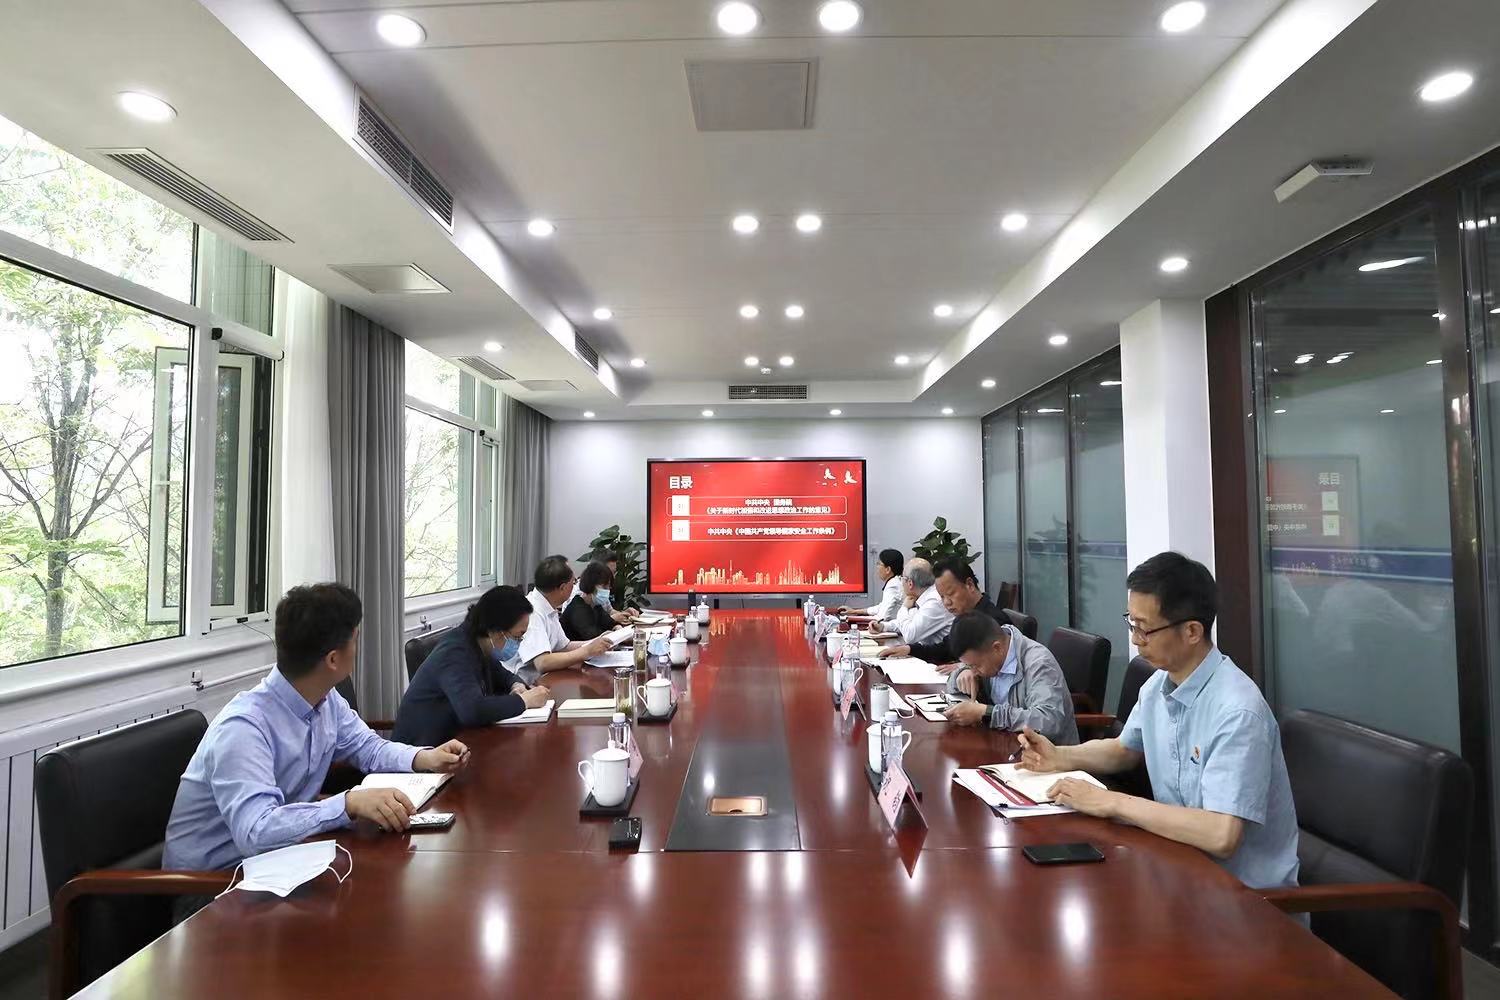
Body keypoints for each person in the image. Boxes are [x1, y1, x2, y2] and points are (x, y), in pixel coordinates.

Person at [1016, 552, 1299, 889]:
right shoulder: (1158, 685)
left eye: (1145, 629)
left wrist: (1111, 802)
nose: (1135, 639)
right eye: (1132, 623)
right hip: (1177, 868)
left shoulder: (1237, 712)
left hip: (1241, 897)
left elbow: (1221, 834)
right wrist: (1059, 756)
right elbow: (1124, 750)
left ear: (1192, 631)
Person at [164, 583, 470, 874]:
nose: (357, 648)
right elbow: (256, 832)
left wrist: (425, 758)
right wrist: (347, 803)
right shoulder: (243, 728)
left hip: (282, 860)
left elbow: (368, 747)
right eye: (355, 639)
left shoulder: (325, 699)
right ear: (333, 659)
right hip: (214, 886)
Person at [393, 585, 553, 745]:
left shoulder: (478, 643)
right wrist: (523, 701)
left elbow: (505, 676)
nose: (519, 642)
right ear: (496, 630)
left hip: (457, 740)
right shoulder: (454, 652)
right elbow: (472, 710)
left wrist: (516, 685)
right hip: (423, 751)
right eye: (518, 636)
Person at [939, 610, 1078, 744]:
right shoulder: (988, 654)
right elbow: (953, 684)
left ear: (996, 648)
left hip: (1046, 754)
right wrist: (962, 672)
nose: (974, 671)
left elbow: (1049, 721)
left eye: (975, 666)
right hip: (1004, 744)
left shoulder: (1038, 663)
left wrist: (987, 713)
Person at [876, 558, 1000, 672]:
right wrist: (909, 649)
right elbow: (946, 648)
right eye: (942, 597)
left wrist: (965, 667)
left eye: (951, 594)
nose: (947, 603)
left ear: (970, 585)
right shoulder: (964, 616)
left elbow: (997, 663)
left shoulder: (995, 620)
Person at [518, 555, 613, 677]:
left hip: (548, 677)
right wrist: (586, 651)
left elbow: (564, 646)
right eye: (573, 583)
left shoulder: (548, 606)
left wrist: (598, 641)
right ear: (562, 587)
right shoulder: (533, 611)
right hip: (528, 683)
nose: (575, 587)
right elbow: (542, 662)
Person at [872, 557, 953, 646]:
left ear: (910, 583)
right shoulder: (924, 597)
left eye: (902, 578)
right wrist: (883, 626)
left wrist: (904, 608)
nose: (901, 582)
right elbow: (909, 622)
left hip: (942, 654)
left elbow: (909, 636)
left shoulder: (934, 602)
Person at [839, 548, 904, 621]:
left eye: (879, 564)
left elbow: (881, 618)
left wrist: (849, 618)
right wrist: (854, 611)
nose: (877, 567)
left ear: (888, 569)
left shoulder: (893, 586)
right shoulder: (896, 582)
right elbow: (881, 607)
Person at [562, 561, 615, 641]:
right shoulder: (577, 609)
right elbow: (593, 636)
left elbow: (610, 623)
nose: (607, 590)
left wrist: (617, 627)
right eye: (604, 586)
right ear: (591, 585)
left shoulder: (595, 605)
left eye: (608, 587)